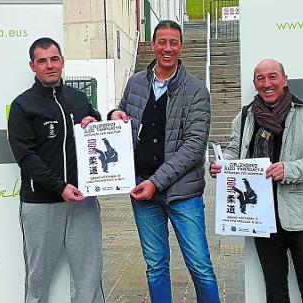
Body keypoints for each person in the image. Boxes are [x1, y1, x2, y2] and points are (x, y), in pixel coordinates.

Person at [109, 20, 220, 303]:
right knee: (156, 267)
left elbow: (194, 148)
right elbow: (124, 112)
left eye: (173, 43)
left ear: (181, 47)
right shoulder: (136, 82)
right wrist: (113, 115)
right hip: (141, 188)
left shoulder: (196, 90)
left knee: (200, 267)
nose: (167, 48)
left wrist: (155, 182)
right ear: (153, 45)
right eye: (161, 42)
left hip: (183, 194)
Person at [210, 59, 303, 303]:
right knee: (274, 290)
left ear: (284, 80)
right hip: (261, 217)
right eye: (260, 78)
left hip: (300, 216)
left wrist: (288, 169)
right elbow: (236, 149)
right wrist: (224, 166)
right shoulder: (245, 116)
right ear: (255, 83)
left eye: (273, 77)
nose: (267, 83)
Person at [7, 37, 104, 303]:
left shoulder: (79, 99)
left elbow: (97, 127)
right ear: (33, 66)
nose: (50, 65)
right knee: (38, 280)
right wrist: (60, 186)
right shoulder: (22, 106)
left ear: (62, 61)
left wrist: (94, 120)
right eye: (42, 61)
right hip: (41, 203)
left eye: (54, 59)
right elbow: (26, 157)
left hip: (83, 201)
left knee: (89, 277)